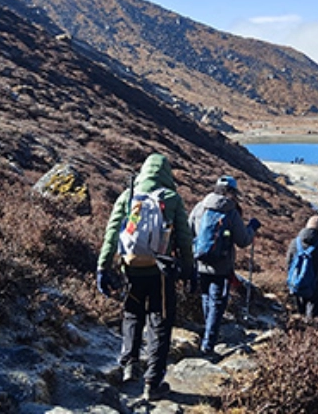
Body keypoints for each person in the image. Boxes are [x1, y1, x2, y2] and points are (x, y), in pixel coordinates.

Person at [97, 153, 195, 401]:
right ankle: (153, 381)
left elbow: (112, 234)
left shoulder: (128, 196)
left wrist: (102, 267)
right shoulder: (172, 198)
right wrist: (189, 270)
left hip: (130, 268)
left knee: (132, 314)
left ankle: (130, 365)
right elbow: (184, 239)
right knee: (160, 322)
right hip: (160, 272)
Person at [188, 175, 260, 357]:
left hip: (200, 261)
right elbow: (243, 241)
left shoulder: (200, 206)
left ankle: (208, 336)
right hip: (221, 265)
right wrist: (252, 227)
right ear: (231, 193)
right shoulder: (231, 211)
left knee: (206, 298)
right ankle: (208, 343)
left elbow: (188, 231)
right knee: (217, 303)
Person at [286, 215, 318, 318]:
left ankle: (297, 328)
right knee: (312, 310)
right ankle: (309, 330)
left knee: (299, 309)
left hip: (296, 283)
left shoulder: (295, 243)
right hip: (315, 285)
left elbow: (288, 261)